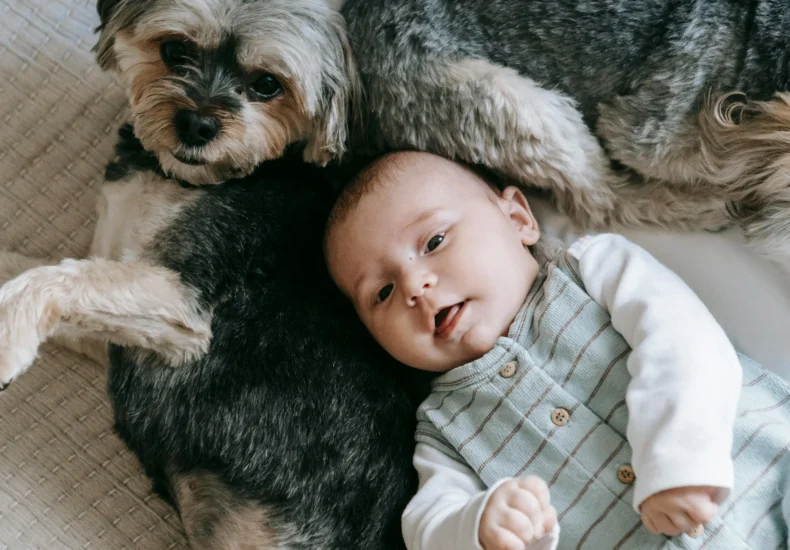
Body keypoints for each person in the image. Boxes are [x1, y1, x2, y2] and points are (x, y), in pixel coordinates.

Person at [324, 151, 790, 550]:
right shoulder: (443, 431)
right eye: (381, 293)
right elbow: (426, 527)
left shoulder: (594, 269)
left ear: (518, 220)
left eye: (434, 241)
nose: (413, 285)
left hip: (768, 477)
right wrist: (480, 526)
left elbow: (682, 339)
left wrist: (680, 457)